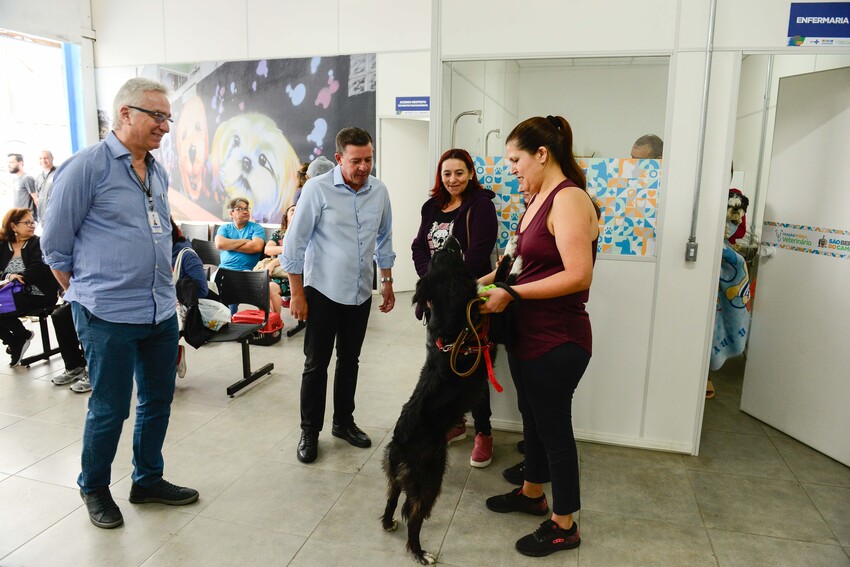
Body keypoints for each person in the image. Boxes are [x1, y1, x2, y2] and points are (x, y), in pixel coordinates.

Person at [41, 77, 199, 530]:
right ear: (125, 114)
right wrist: (86, 291)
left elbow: (159, 231)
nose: (166, 126)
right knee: (111, 407)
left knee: (158, 400)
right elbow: (54, 247)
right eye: (158, 115)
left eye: (168, 117)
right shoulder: (86, 167)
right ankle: (93, 486)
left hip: (158, 310)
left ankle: (147, 479)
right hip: (106, 313)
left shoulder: (156, 169)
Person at [479, 115, 600, 557]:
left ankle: (564, 525)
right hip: (531, 335)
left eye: (515, 159)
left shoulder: (568, 199)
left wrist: (509, 293)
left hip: (558, 338)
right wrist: (479, 284)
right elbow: (515, 264)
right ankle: (532, 494)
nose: (511, 168)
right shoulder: (537, 200)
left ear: (542, 154)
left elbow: (578, 274)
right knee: (532, 421)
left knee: (554, 431)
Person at [282, 127, 395, 464]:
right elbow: (294, 245)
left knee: (350, 361)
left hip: (360, 292)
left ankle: (343, 422)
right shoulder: (316, 190)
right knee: (316, 363)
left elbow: (385, 238)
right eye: (356, 161)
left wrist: (386, 280)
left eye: (369, 159)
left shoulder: (379, 191)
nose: (364, 167)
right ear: (339, 158)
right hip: (322, 292)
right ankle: (309, 431)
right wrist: (298, 294)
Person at [410, 148, 498, 467]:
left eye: (459, 173)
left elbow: (477, 256)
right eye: (447, 174)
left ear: (471, 173)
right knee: (440, 366)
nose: (452, 179)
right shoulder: (432, 207)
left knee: (473, 372)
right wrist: (430, 286)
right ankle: (456, 424)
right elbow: (419, 247)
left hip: (469, 306)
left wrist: (446, 292)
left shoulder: (481, 207)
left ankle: (484, 433)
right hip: (438, 308)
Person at [0, 208, 59, 365]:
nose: (32, 225)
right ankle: (16, 339)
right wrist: (8, 277)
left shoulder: (39, 243)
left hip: (37, 294)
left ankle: (19, 338)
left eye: (33, 222)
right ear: (13, 226)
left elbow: (36, 269)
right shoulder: (3, 245)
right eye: (27, 222)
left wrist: (18, 279)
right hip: (9, 295)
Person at [215, 196, 281, 314]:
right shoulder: (224, 228)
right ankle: (227, 317)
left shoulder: (256, 228)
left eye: (246, 208)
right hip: (224, 270)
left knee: (233, 285)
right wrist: (244, 241)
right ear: (231, 213)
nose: (245, 211)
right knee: (212, 287)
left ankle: (233, 316)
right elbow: (220, 244)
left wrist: (230, 244)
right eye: (239, 209)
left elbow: (256, 247)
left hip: (249, 272)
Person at [171, 221, 215, 379]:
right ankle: (174, 354)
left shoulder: (187, 255)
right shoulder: (152, 253)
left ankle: (172, 355)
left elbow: (202, 290)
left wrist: (177, 289)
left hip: (184, 308)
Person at [264, 204, 296, 299]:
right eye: (292, 210)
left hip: (296, 273)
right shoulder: (279, 234)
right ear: (286, 217)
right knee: (267, 288)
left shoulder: (307, 234)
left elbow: (300, 255)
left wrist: (274, 262)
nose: (296, 211)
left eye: (299, 210)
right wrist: (287, 249)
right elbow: (268, 250)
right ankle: (273, 314)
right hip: (278, 273)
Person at [7, 153, 38, 221]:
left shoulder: (27, 178)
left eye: (11, 162)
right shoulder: (14, 179)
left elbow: (36, 199)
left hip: (27, 218)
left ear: (20, 163)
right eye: (8, 162)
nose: (8, 165)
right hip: (18, 217)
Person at [35, 151, 57, 224]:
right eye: (40, 158)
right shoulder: (39, 178)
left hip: (56, 215)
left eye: (46, 158)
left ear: (52, 158)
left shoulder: (59, 172)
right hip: (43, 217)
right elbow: (38, 197)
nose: (43, 160)